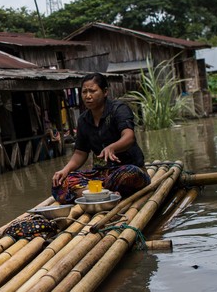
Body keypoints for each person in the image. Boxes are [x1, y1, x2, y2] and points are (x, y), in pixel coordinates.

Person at [51, 73, 150, 204]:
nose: (87, 96)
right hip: (102, 174)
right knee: (60, 182)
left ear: (105, 92)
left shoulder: (118, 109)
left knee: (130, 174)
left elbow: (129, 136)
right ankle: (105, 193)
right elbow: (80, 153)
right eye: (84, 92)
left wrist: (112, 147)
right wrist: (65, 170)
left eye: (92, 91)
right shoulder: (83, 120)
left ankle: (94, 193)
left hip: (126, 169)